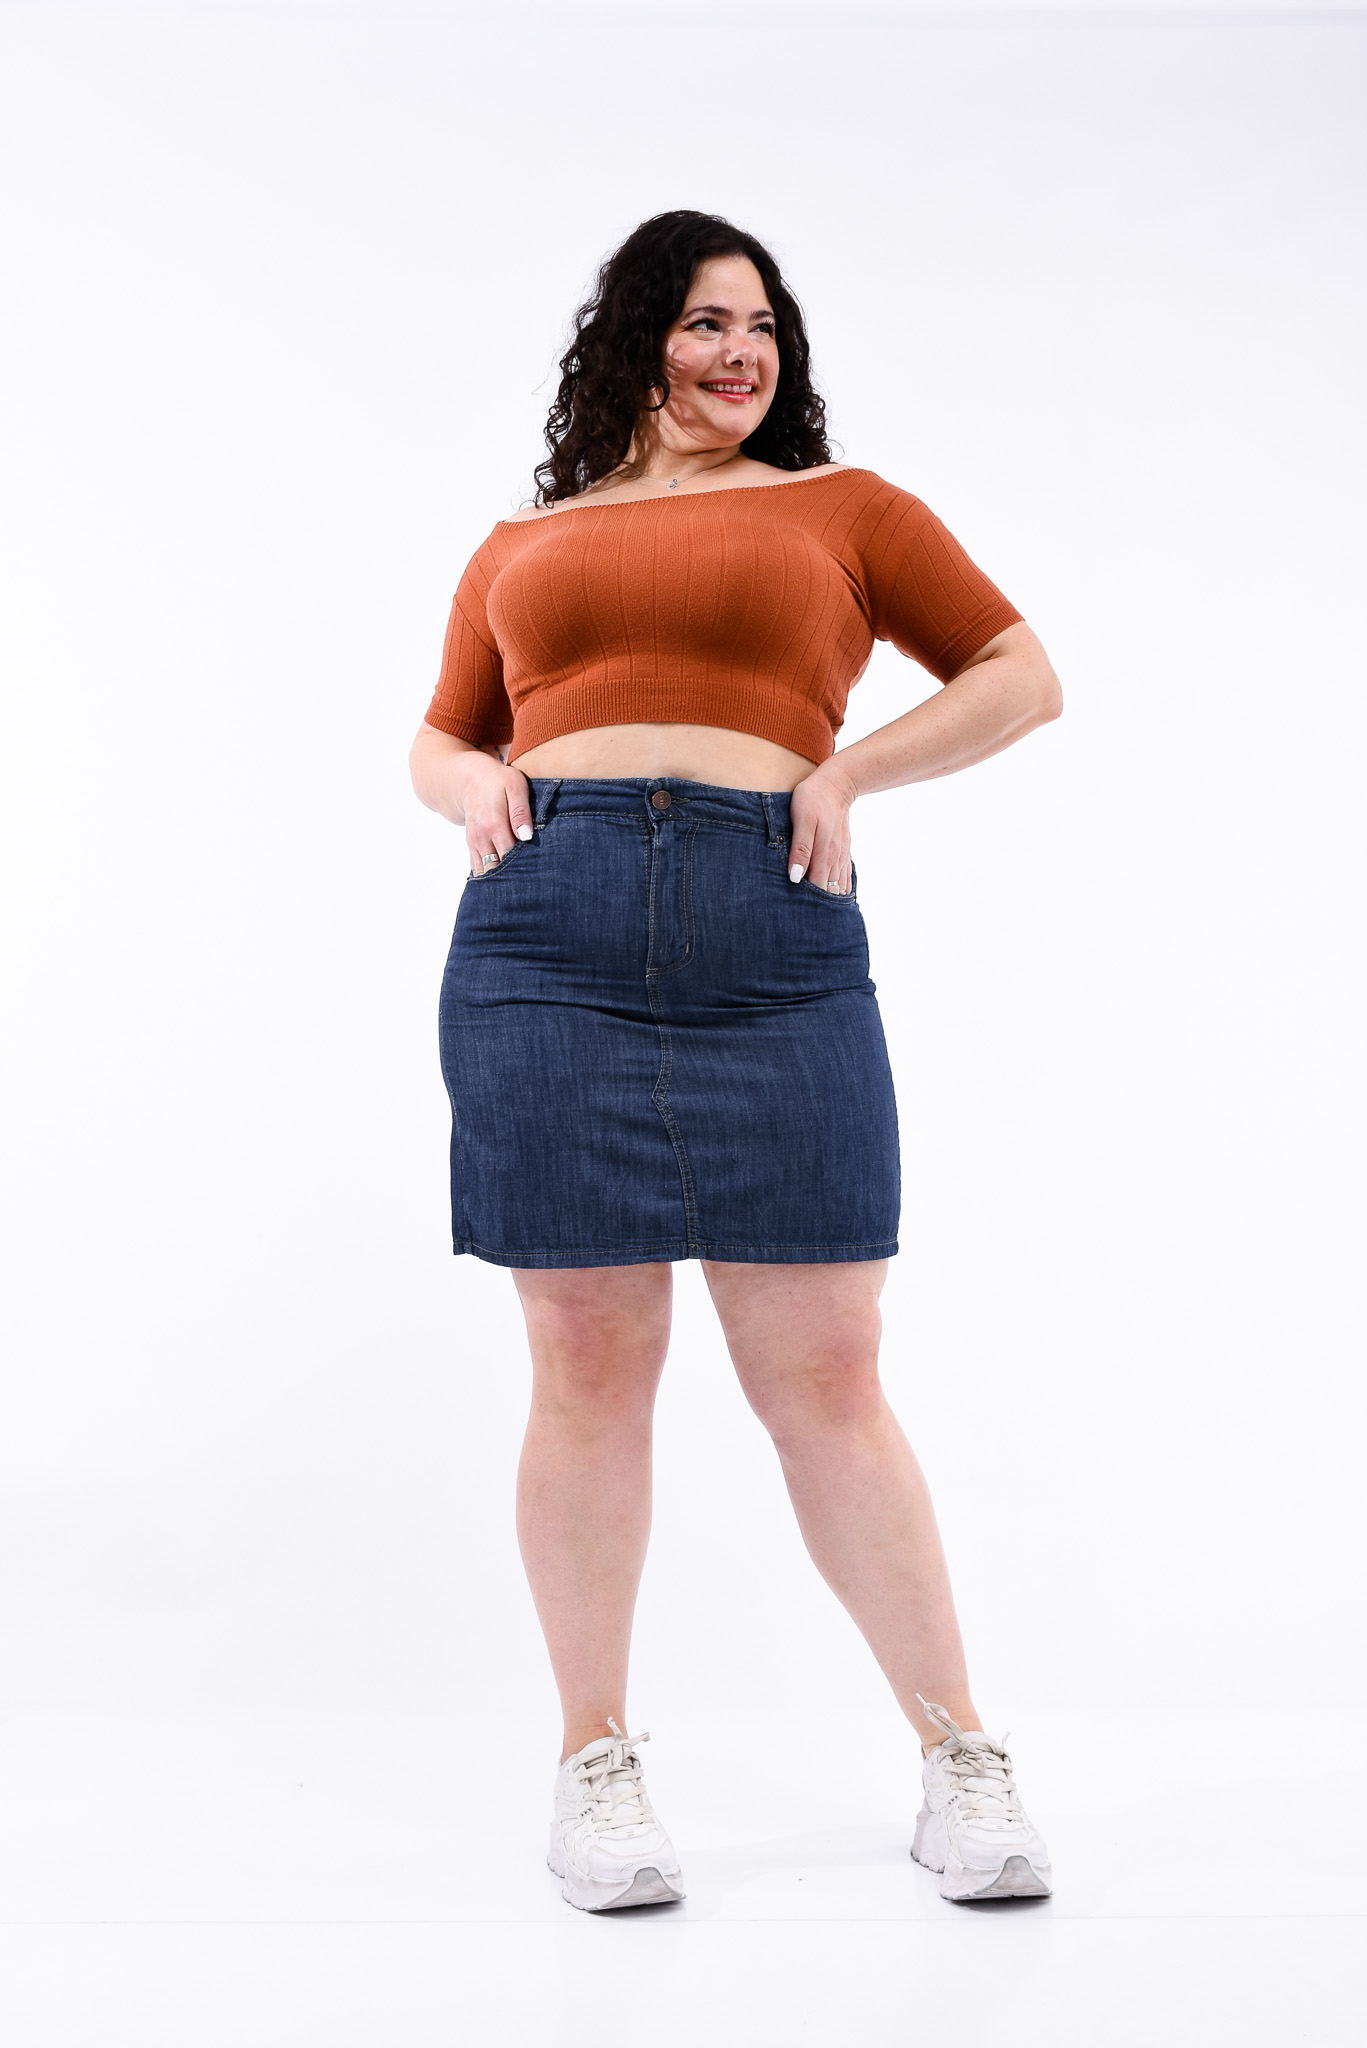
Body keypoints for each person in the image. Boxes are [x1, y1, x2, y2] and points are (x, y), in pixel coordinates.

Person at [409, 210, 1063, 1912]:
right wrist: (469, 783)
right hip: (545, 948)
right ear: (634, 339)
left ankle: (957, 1754)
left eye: (762, 325)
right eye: (704, 321)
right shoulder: (522, 542)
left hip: (774, 940)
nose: (740, 352)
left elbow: (1021, 676)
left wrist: (848, 774)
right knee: (586, 1365)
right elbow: (442, 731)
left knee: (829, 1374)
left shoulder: (847, 510)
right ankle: (595, 1766)